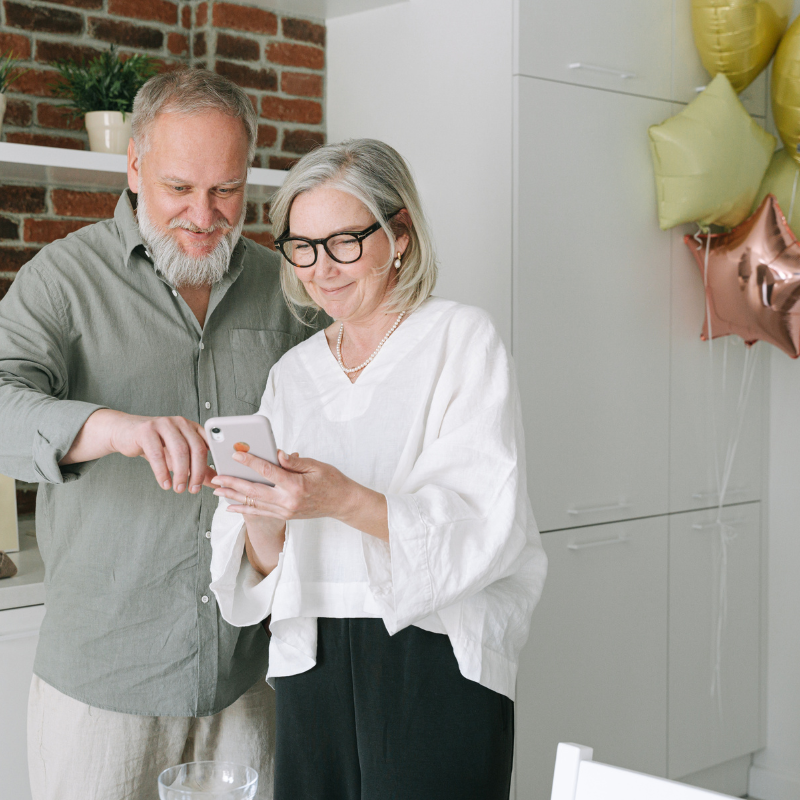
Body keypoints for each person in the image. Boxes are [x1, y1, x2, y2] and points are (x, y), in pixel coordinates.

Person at [0, 69, 313, 800]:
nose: (205, 216)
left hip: (249, 678)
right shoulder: (63, 280)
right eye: (179, 188)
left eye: (227, 190)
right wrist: (107, 427)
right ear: (134, 167)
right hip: (103, 686)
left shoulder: (287, 287)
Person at [208, 138, 548, 800]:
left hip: (435, 653)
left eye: (343, 242)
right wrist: (260, 508)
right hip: (312, 657)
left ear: (399, 234)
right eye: (301, 246)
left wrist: (340, 499)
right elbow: (264, 566)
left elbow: (485, 518)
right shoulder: (293, 374)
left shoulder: (460, 340)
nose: (320, 268)